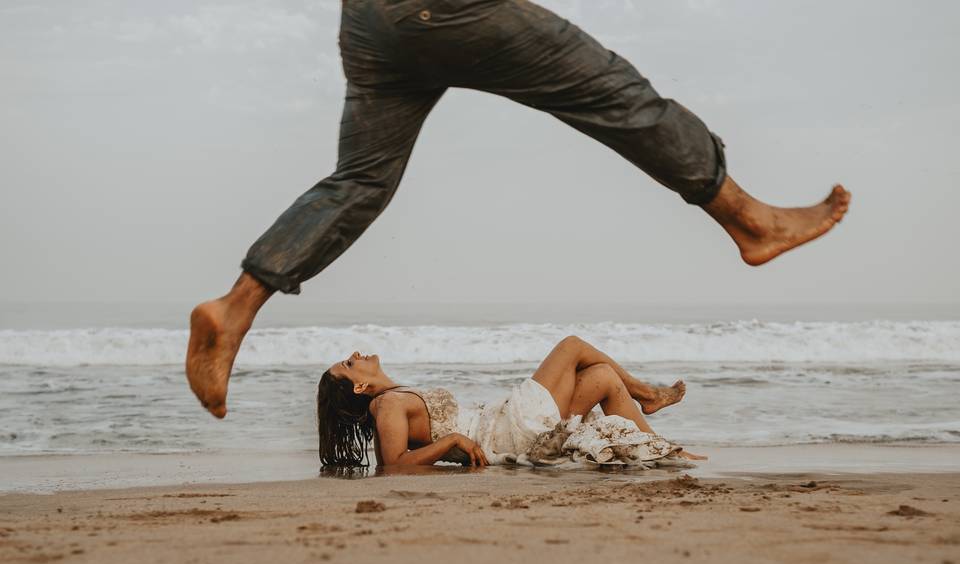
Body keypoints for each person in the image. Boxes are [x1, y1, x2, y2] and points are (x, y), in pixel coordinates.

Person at [187, 0, 851, 418]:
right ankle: (750, 219)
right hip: (446, 10)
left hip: (367, 19)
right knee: (616, 94)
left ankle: (236, 306)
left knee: (362, 178)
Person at [316, 335, 705, 467]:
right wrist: (451, 443)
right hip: (504, 433)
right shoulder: (384, 406)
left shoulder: (393, 397)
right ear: (359, 388)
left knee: (602, 377)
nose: (356, 354)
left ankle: (670, 452)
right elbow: (394, 466)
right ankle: (648, 395)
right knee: (571, 346)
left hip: (502, 422)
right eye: (350, 364)